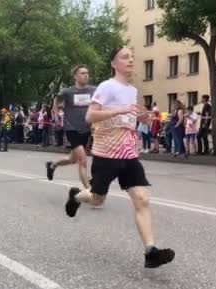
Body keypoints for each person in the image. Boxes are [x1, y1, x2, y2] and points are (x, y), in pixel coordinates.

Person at [64, 47, 175, 268]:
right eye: (125, 57)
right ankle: (76, 197)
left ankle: (150, 251)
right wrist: (119, 110)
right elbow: (90, 115)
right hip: (107, 152)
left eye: (132, 57)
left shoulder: (132, 90)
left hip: (129, 152)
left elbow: (128, 117)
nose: (131, 60)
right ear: (114, 64)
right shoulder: (106, 87)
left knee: (142, 199)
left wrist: (142, 116)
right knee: (97, 198)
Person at [46, 65, 96, 189]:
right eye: (83, 73)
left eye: (87, 73)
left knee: (73, 159)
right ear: (75, 76)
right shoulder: (67, 92)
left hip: (86, 129)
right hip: (71, 128)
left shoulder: (93, 90)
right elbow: (56, 103)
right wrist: (56, 116)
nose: (86, 75)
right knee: (82, 160)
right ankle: (90, 191)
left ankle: (52, 165)